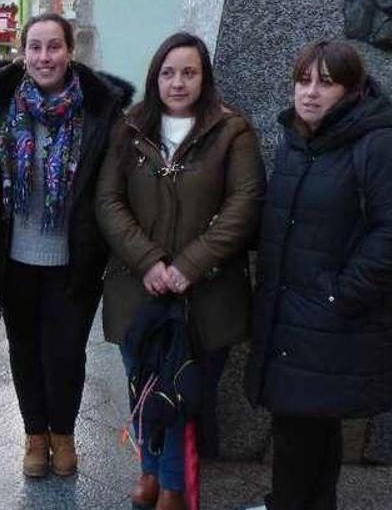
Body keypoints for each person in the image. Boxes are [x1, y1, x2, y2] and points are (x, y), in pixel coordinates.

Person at [243, 40, 392, 510]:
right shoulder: (298, 142)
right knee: (307, 424)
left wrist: (342, 296)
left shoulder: (381, 145)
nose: (310, 93)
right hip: (293, 313)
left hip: (329, 316)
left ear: (352, 89)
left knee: (301, 427)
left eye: (326, 82)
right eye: (303, 80)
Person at [96, 32, 265, 509]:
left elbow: (245, 203)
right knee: (144, 384)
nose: (178, 82)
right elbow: (108, 201)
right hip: (138, 289)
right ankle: (150, 473)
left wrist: (189, 264)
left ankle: (173, 486)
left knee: (184, 391)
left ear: (204, 77)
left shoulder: (233, 132)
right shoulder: (130, 128)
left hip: (206, 294)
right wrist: (148, 260)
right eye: (168, 73)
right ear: (155, 78)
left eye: (189, 72)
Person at [0, 13, 133, 479]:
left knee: (66, 353)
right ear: (23, 54)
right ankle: (35, 437)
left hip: (76, 260)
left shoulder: (100, 112)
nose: (44, 57)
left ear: (70, 52)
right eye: (36, 47)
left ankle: (63, 435)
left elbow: (116, 186)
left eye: (54, 47)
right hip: (13, 258)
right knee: (24, 350)